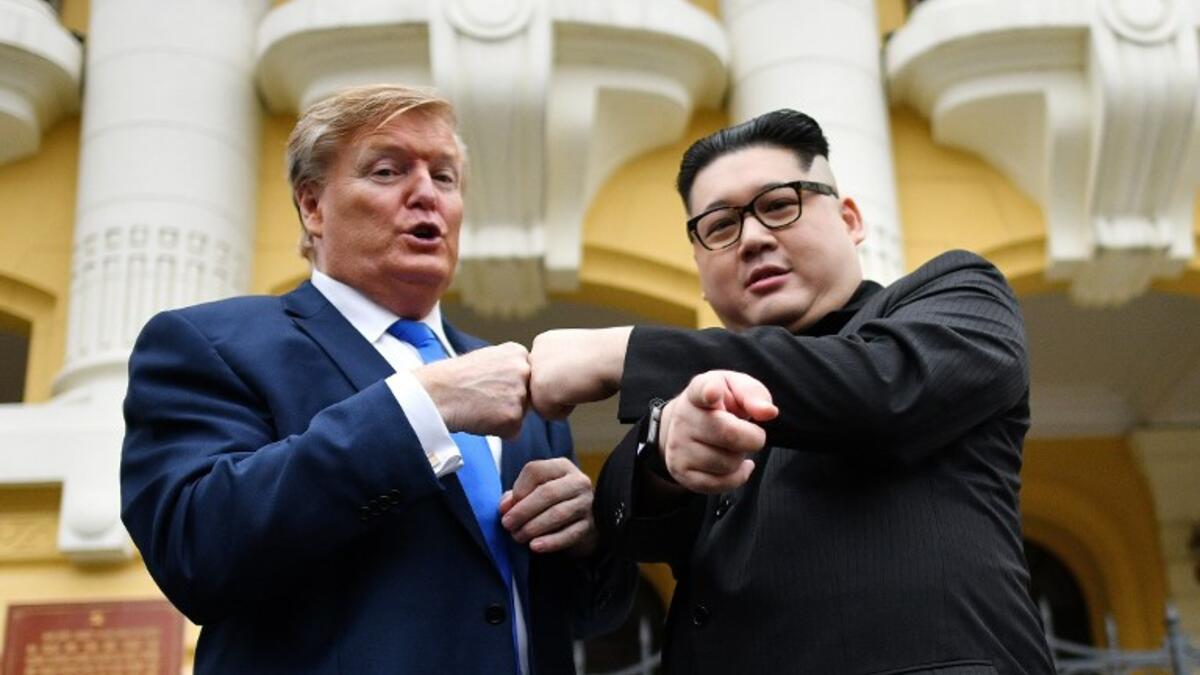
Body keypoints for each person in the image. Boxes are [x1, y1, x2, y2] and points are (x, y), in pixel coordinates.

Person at [120, 84, 634, 675]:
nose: (426, 195)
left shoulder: (516, 379)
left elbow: (587, 615)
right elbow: (196, 551)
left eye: (445, 178)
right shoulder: (210, 344)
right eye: (388, 171)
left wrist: (590, 536)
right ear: (312, 206)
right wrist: (421, 406)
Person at [527, 109, 1055, 674]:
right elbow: (622, 519)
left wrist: (621, 353)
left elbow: (878, 390)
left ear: (850, 219)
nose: (752, 238)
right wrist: (661, 455)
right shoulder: (696, 386)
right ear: (701, 270)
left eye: (779, 205)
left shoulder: (958, 297)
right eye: (720, 227)